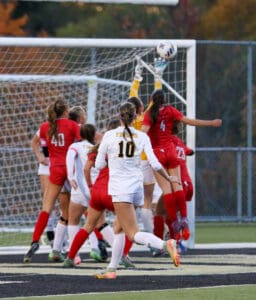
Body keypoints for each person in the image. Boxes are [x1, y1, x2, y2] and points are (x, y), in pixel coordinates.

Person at [93, 102, 180, 278]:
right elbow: (155, 163)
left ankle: (165, 244)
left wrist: (112, 160)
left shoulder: (109, 136)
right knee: (118, 227)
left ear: (119, 116)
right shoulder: (141, 136)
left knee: (132, 233)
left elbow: (99, 164)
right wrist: (168, 177)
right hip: (136, 187)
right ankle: (111, 269)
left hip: (120, 188)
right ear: (134, 118)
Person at [141, 89, 222, 244]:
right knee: (176, 185)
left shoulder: (149, 113)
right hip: (171, 151)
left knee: (166, 190)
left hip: (157, 153)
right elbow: (189, 121)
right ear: (164, 100)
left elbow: (143, 132)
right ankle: (184, 219)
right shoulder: (171, 110)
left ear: (151, 99)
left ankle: (174, 223)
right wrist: (211, 123)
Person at [23, 99, 81, 263]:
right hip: (70, 170)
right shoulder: (72, 125)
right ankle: (74, 252)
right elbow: (81, 145)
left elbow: (45, 149)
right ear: (65, 111)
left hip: (54, 169)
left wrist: (45, 157)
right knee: (77, 210)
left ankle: (35, 241)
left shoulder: (44, 127)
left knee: (47, 207)